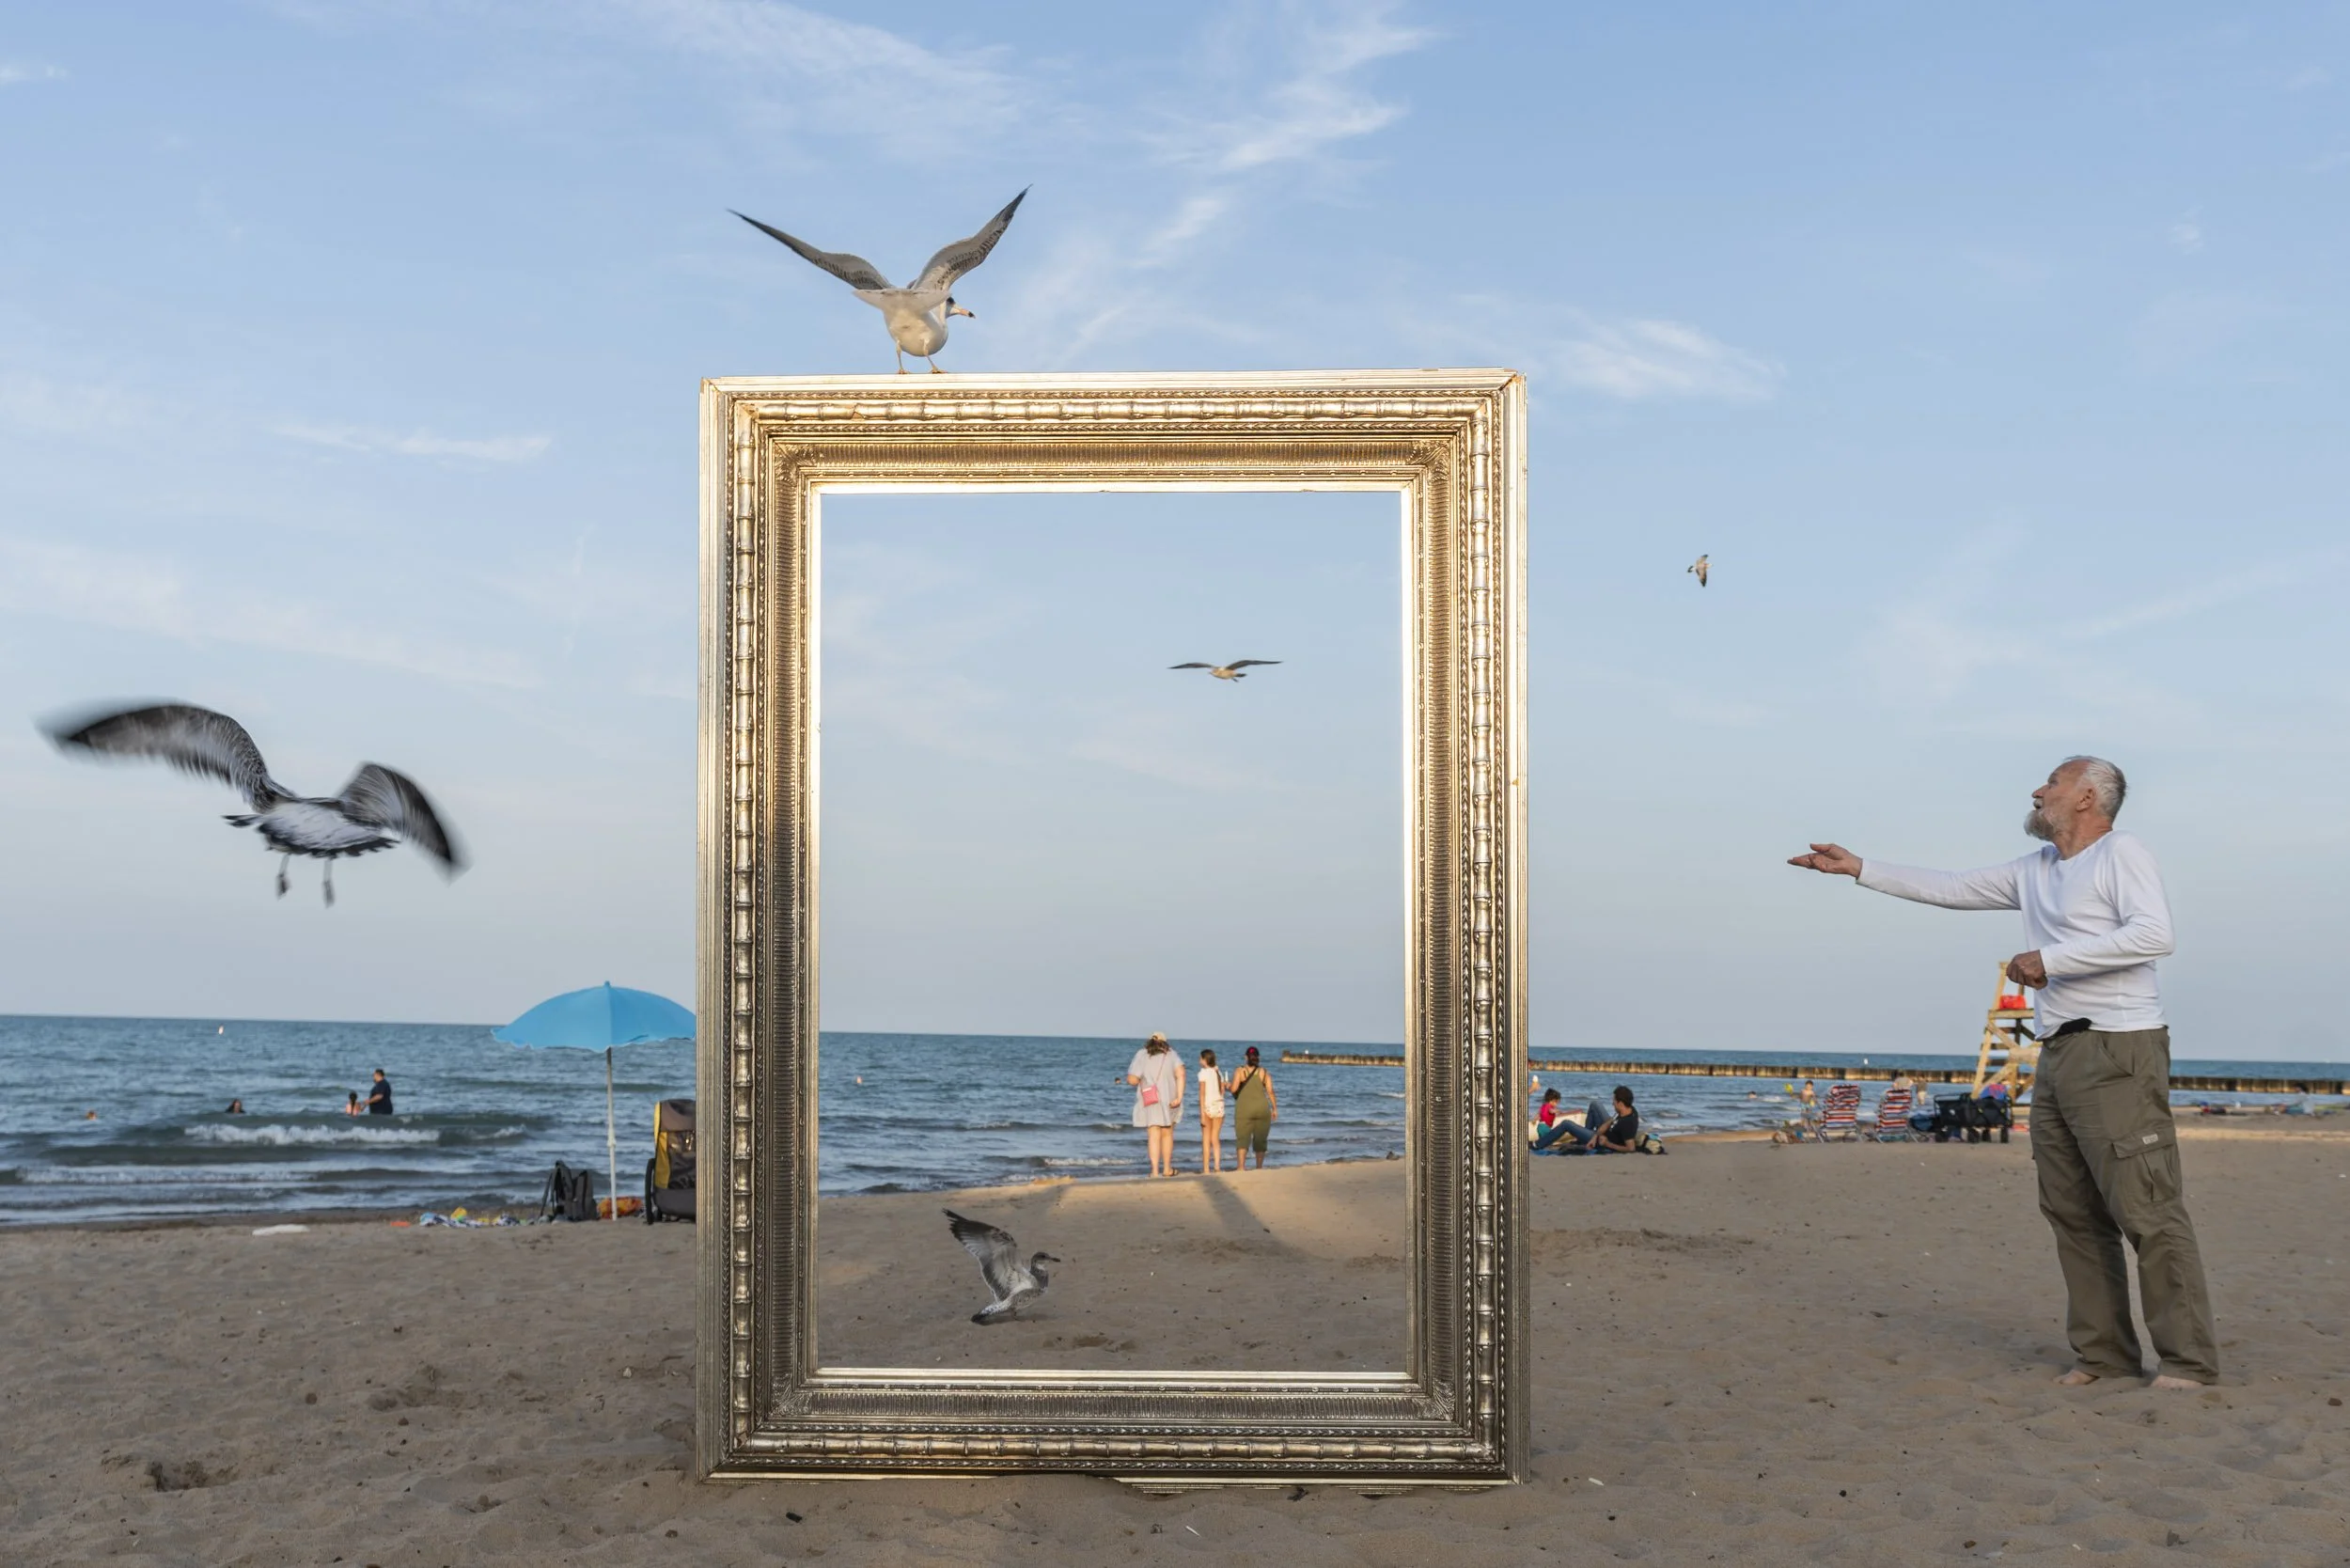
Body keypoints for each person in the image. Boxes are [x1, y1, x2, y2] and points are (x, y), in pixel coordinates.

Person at [1789, 754, 2217, 1389]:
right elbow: (1951, 887)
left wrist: (2053, 959)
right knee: (2070, 1210)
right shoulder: (2035, 868)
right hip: (2058, 1051)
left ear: (2087, 798)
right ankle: (2105, 1356)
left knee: (2146, 1208)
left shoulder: (2120, 853)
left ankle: (2187, 1362)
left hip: (2119, 1046)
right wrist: (1860, 868)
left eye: (2052, 782)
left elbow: (2155, 935)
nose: (2037, 790)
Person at [1124, 1033, 1184, 1178]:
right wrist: (1179, 1097)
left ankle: (1155, 1171)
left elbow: (1132, 1080)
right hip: (1170, 1098)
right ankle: (1167, 1169)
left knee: (1153, 1134)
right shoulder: (1171, 1054)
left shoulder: (1142, 1054)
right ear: (1165, 1042)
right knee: (1167, 1133)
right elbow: (1181, 1074)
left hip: (1151, 1098)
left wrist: (1141, 1079)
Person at [1228, 1046, 1277, 1169]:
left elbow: (1234, 1089)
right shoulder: (1264, 1072)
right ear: (1258, 1057)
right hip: (1262, 1109)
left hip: (1244, 1109)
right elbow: (1270, 1091)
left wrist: (1227, 1085)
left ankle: (1241, 1167)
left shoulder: (1240, 1071)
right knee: (1261, 1140)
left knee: (1242, 1139)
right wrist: (1275, 1108)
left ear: (1246, 1057)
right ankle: (1259, 1167)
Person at [1196, 1047, 1228, 1173]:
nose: (1199, 1060)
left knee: (1206, 1139)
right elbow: (1222, 1091)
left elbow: (1202, 1094)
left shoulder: (1203, 1073)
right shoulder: (1218, 1072)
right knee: (1215, 1138)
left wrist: (1202, 1113)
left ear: (1205, 1060)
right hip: (1219, 1106)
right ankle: (1217, 1167)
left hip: (1208, 1106)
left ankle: (1206, 1168)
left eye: (1200, 1058)